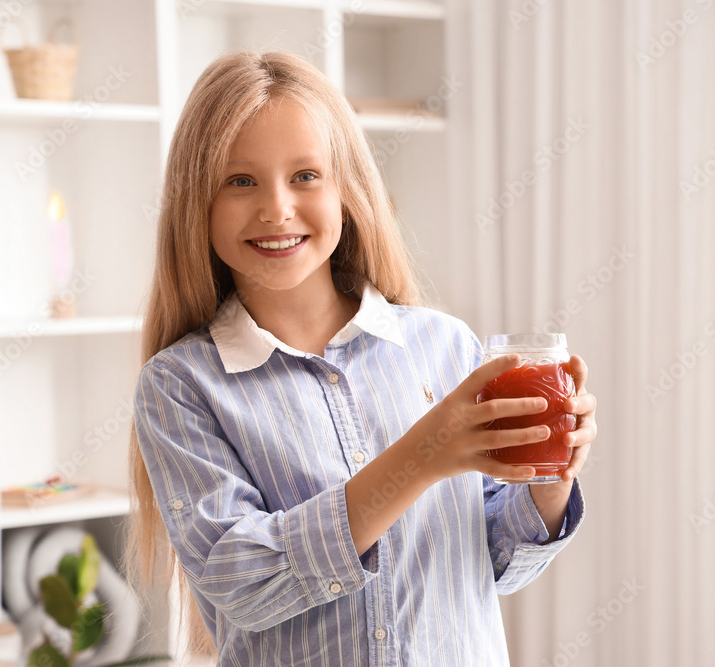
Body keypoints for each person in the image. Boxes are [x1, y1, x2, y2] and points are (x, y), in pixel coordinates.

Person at [128, 50, 598, 666]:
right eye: (240, 180)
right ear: (198, 201)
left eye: (306, 176)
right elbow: (241, 582)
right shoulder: (182, 385)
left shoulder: (447, 346)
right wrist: (421, 456)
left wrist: (550, 481)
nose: (276, 208)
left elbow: (493, 563)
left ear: (346, 191)